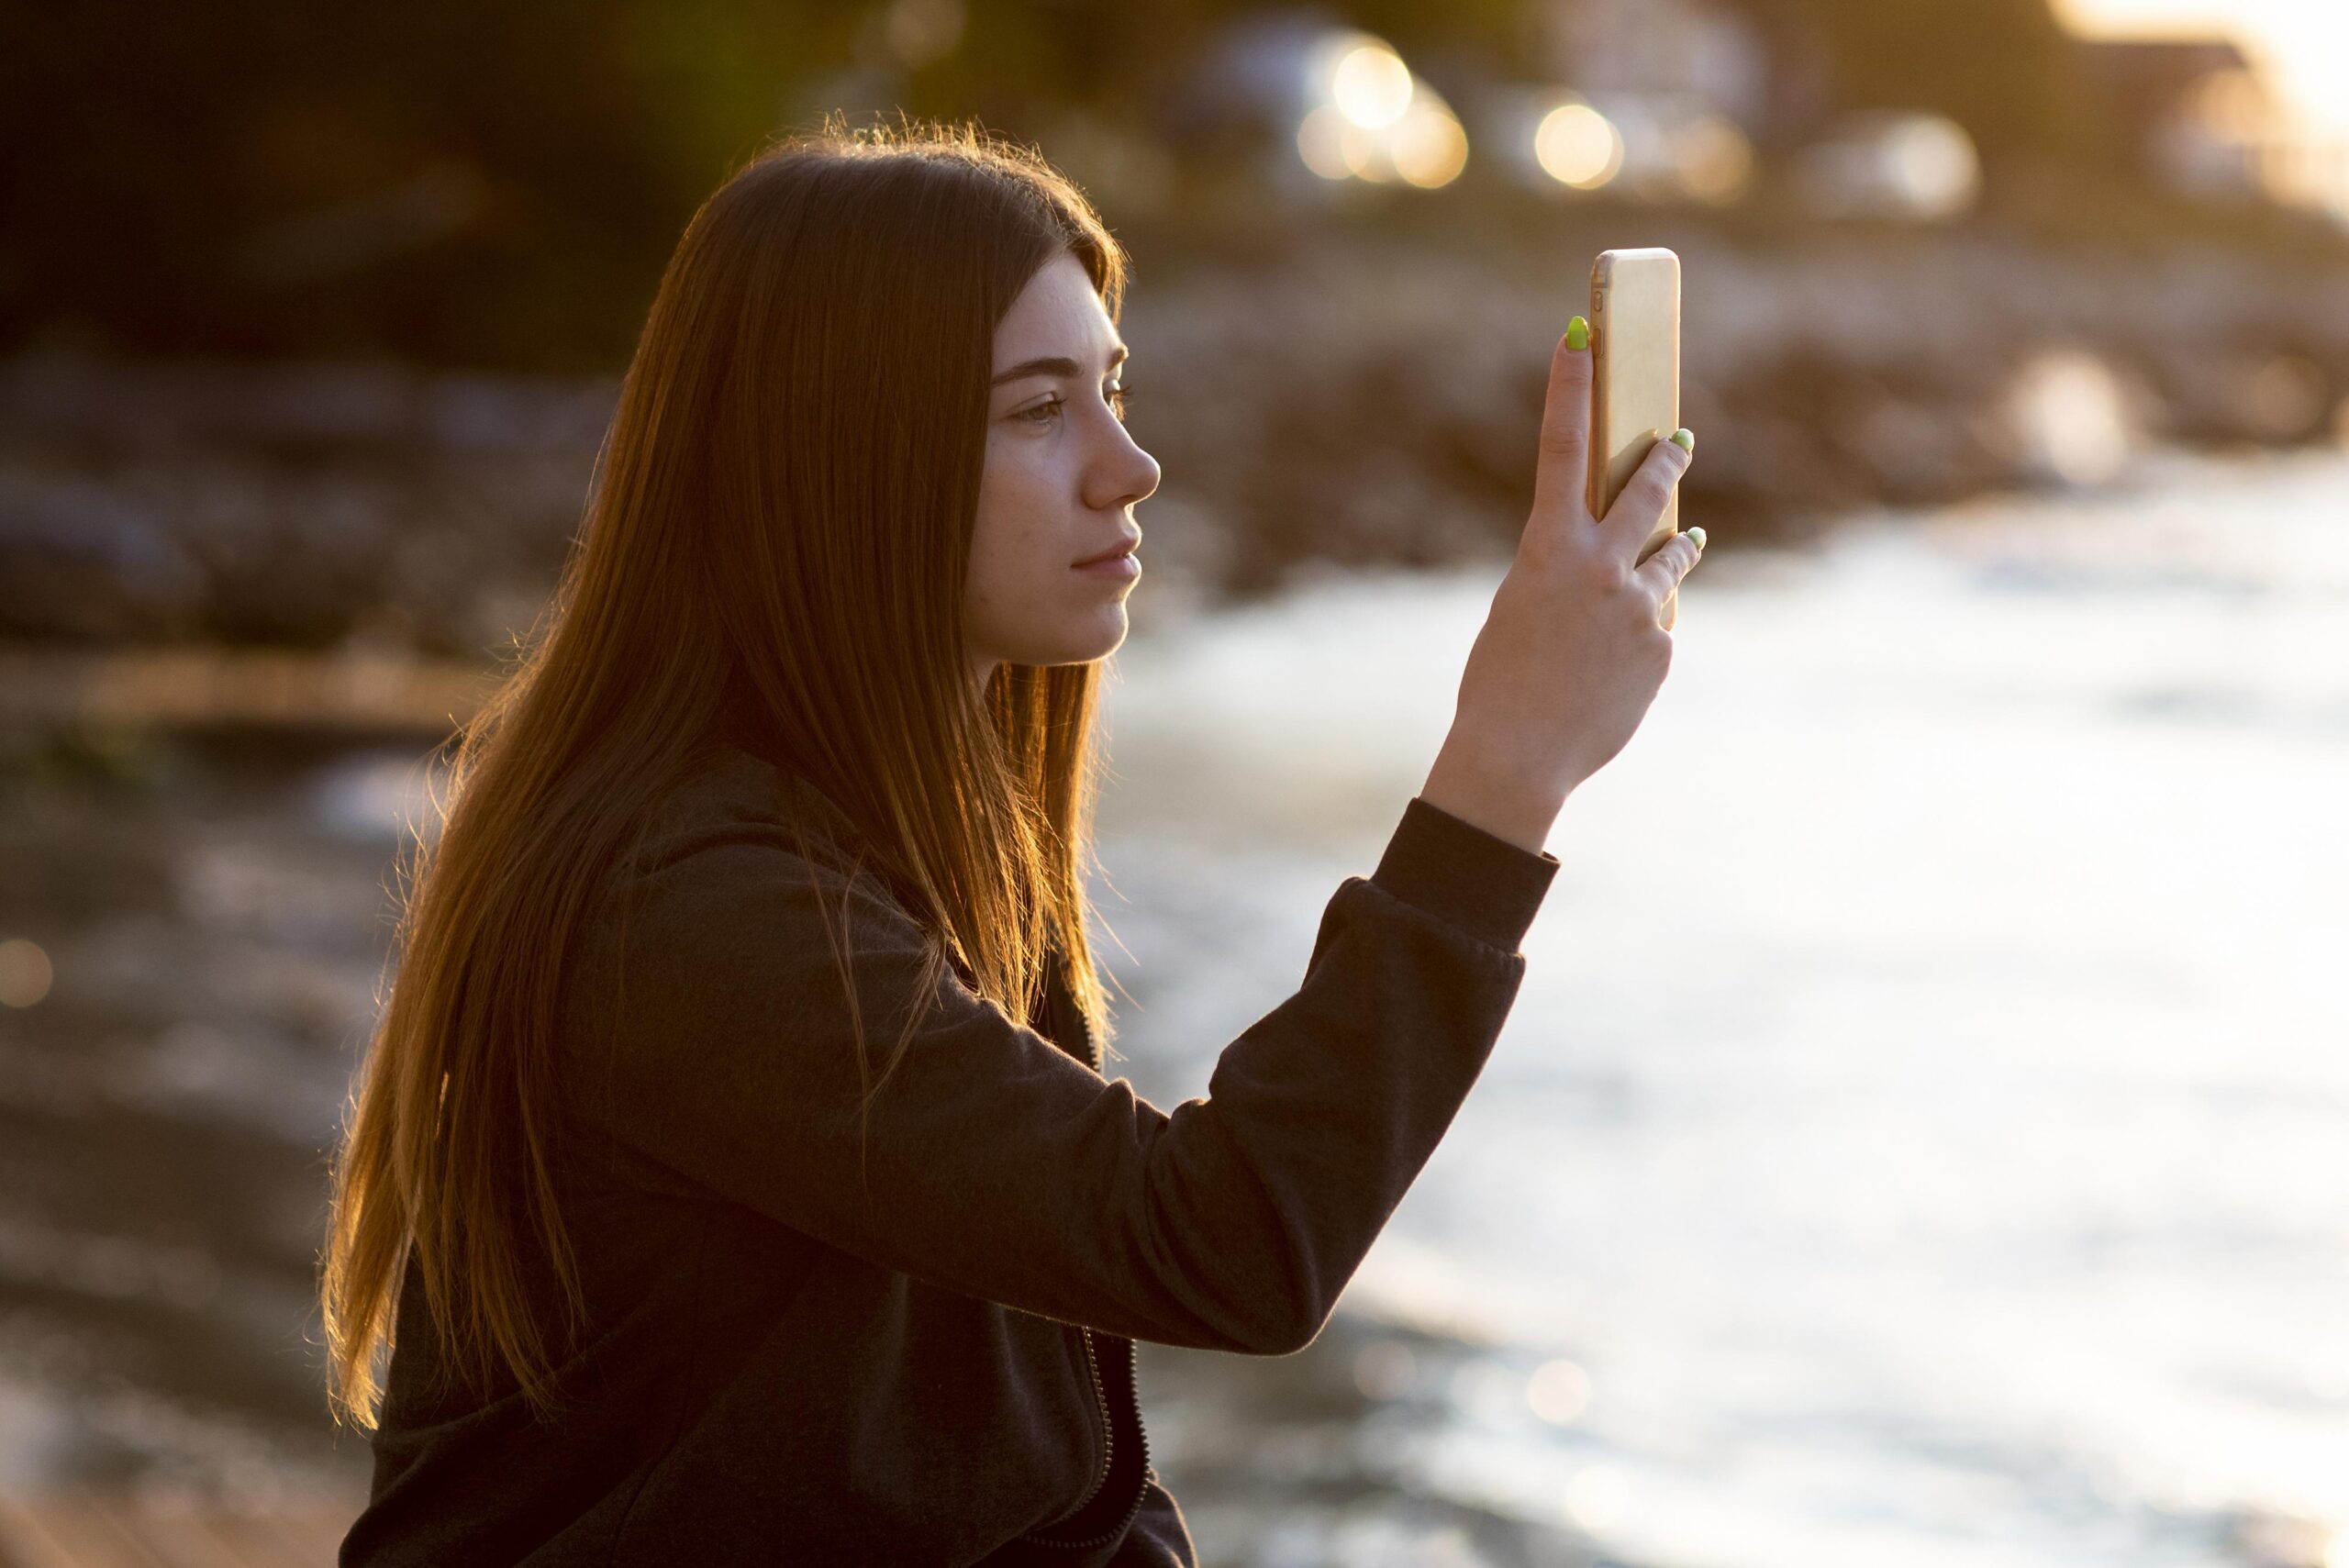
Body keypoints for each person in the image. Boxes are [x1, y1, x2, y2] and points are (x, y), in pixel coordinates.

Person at [319, 117, 1702, 1567]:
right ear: (845, 456)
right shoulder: (688, 906)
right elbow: (1227, 1243)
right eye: (1039, 409)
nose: (1131, 465)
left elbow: (1042, 1450)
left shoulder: (895, 835)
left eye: (1110, 386)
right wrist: (1506, 772)